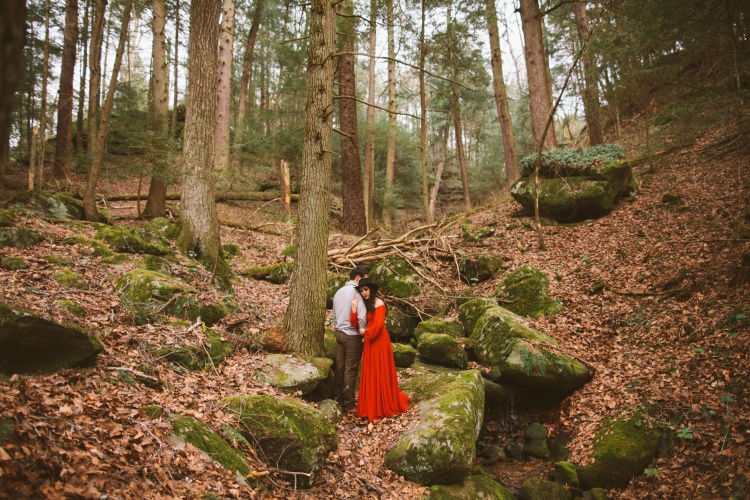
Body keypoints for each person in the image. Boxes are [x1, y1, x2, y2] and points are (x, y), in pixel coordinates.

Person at [350, 278, 410, 421]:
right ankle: (371, 406)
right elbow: (356, 325)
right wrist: (353, 309)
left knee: (380, 370)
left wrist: (366, 333)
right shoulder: (366, 304)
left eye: (366, 289)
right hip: (370, 341)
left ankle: (382, 405)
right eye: (361, 290)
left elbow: (378, 326)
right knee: (371, 372)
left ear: (371, 289)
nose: (364, 293)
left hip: (379, 340)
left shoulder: (379, 303)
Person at [332, 266, 369, 413]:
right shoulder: (356, 293)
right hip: (352, 335)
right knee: (351, 370)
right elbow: (361, 316)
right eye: (364, 279)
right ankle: (349, 404)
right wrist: (364, 331)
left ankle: (337, 398)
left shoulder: (338, 292)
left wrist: (338, 326)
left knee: (340, 368)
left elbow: (334, 314)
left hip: (339, 332)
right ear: (359, 278)